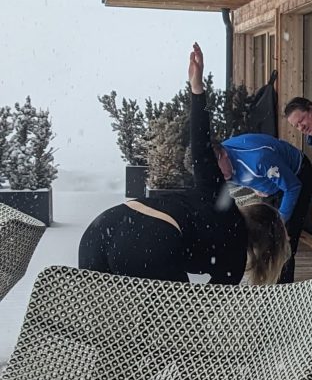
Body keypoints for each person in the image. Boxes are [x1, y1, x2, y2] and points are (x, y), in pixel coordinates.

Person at [80, 44, 289, 287]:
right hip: (152, 237)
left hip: (102, 227)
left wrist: (197, 88)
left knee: (102, 319)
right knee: (175, 321)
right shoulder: (234, 253)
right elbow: (212, 308)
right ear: (266, 248)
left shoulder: (217, 197)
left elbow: (200, 146)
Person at [215, 130, 312, 282]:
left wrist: (281, 221)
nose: (219, 177)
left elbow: (293, 186)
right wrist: (256, 186)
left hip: (296, 176)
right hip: (269, 184)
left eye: (219, 172)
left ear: (224, 154)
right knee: (266, 236)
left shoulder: (258, 159)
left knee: (285, 238)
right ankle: (266, 282)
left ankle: (283, 291)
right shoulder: (221, 165)